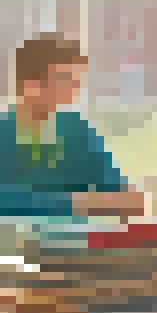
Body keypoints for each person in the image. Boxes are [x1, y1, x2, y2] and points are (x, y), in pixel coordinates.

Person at [0, 34, 145, 217]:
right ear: (31, 85)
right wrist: (74, 203)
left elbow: (124, 197)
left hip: (80, 241)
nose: (74, 91)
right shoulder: (4, 133)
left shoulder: (77, 131)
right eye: (65, 80)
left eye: (77, 82)